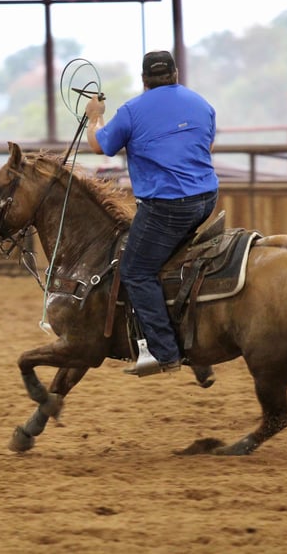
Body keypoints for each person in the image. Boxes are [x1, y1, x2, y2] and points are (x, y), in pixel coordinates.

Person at [85, 50, 219, 377]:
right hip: (207, 199)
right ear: (175, 74)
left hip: (167, 208)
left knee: (136, 270)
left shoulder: (132, 111)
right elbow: (206, 146)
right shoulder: (202, 104)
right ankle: (197, 350)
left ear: (144, 81)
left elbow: (99, 146)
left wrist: (93, 116)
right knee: (168, 260)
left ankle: (165, 351)